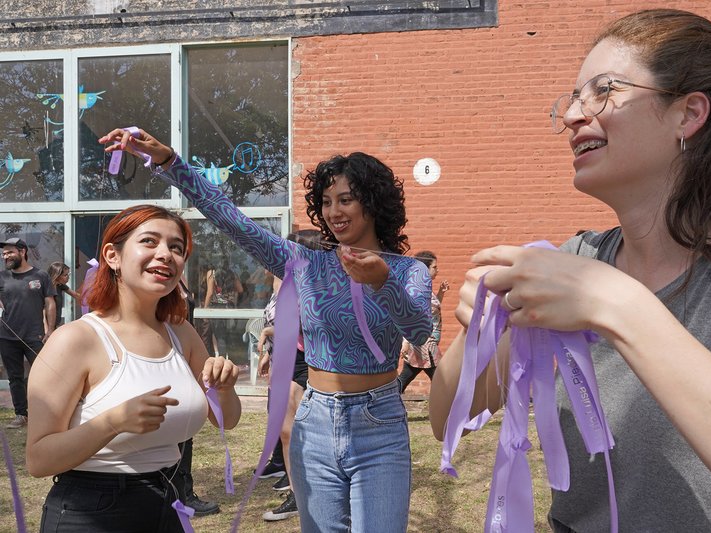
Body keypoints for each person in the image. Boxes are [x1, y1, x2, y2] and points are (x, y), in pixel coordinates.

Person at [430, 8, 711, 533]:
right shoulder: (572, 263)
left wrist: (618, 306)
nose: (575, 115)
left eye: (604, 91)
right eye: (574, 99)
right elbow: (450, 422)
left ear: (688, 113)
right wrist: (478, 335)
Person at [98, 130, 432, 533]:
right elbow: (231, 220)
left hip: (379, 423)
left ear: (373, 203)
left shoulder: (405, 270)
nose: (333, 211)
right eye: (326, 202)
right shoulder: (305, 262)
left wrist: (382, 282)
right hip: (317, 419)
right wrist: (170, 162)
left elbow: (417, 328)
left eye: (346, 199)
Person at [26, 205, 241, 532]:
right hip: (93, 510)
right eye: (150, 241)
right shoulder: (74, 340)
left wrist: (223, 388)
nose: (166, 254)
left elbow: (227, 418)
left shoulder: (180, 331)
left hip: (169, 500)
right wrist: (113, 422)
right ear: (113, 255)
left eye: (176, 248)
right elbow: (38, 460)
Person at [257, 229, 322, 521]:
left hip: (312, 359)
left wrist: (273, 332)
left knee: (305, 430)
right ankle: (297, 494)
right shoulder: (286, 280)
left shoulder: (319, 283)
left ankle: (317, 490)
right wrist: (269, 351)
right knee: (285, 430)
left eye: (289, 249)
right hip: (287, 355)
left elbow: (311, 323)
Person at [174, 273, 221, 517]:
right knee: (177, 430)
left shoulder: (180, 277)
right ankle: (180, 495)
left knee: (186, 429)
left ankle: (183, 493)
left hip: (184, 356)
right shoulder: (159, 280)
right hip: (169, 358)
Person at [0, 237, 56, 429]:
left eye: (9, 252)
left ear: (22, 252)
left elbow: (50, 303)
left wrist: (50, 330)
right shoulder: (2, 277)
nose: (5, 256)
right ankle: (21, 415)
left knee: (44, 375)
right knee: (15, 377)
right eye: (4, 253)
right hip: (7, 337)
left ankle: (49, 413)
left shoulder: (40, 276)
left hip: (35, 336)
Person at [397, 251, 449, 393]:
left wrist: (440, 293)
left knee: (406, 376)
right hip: (425, 344)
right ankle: (449, 409)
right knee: (441, 379)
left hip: (424, 343)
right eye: (434, 267)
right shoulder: (418, 290)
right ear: (424, 269)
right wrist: (406, 342)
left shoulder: (425, 288)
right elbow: (409, 318)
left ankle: (388, 400)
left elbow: (431, 310)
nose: (437, 271)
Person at [47, 261, 80, 328]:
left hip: (54, 326)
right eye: (65, 275)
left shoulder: (60, 285)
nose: (68, 277)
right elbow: (42, 313)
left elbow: (76, 295)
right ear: (57, 276)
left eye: (68, 274)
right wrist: (48, 331)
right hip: (45, 328)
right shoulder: (46, 289)